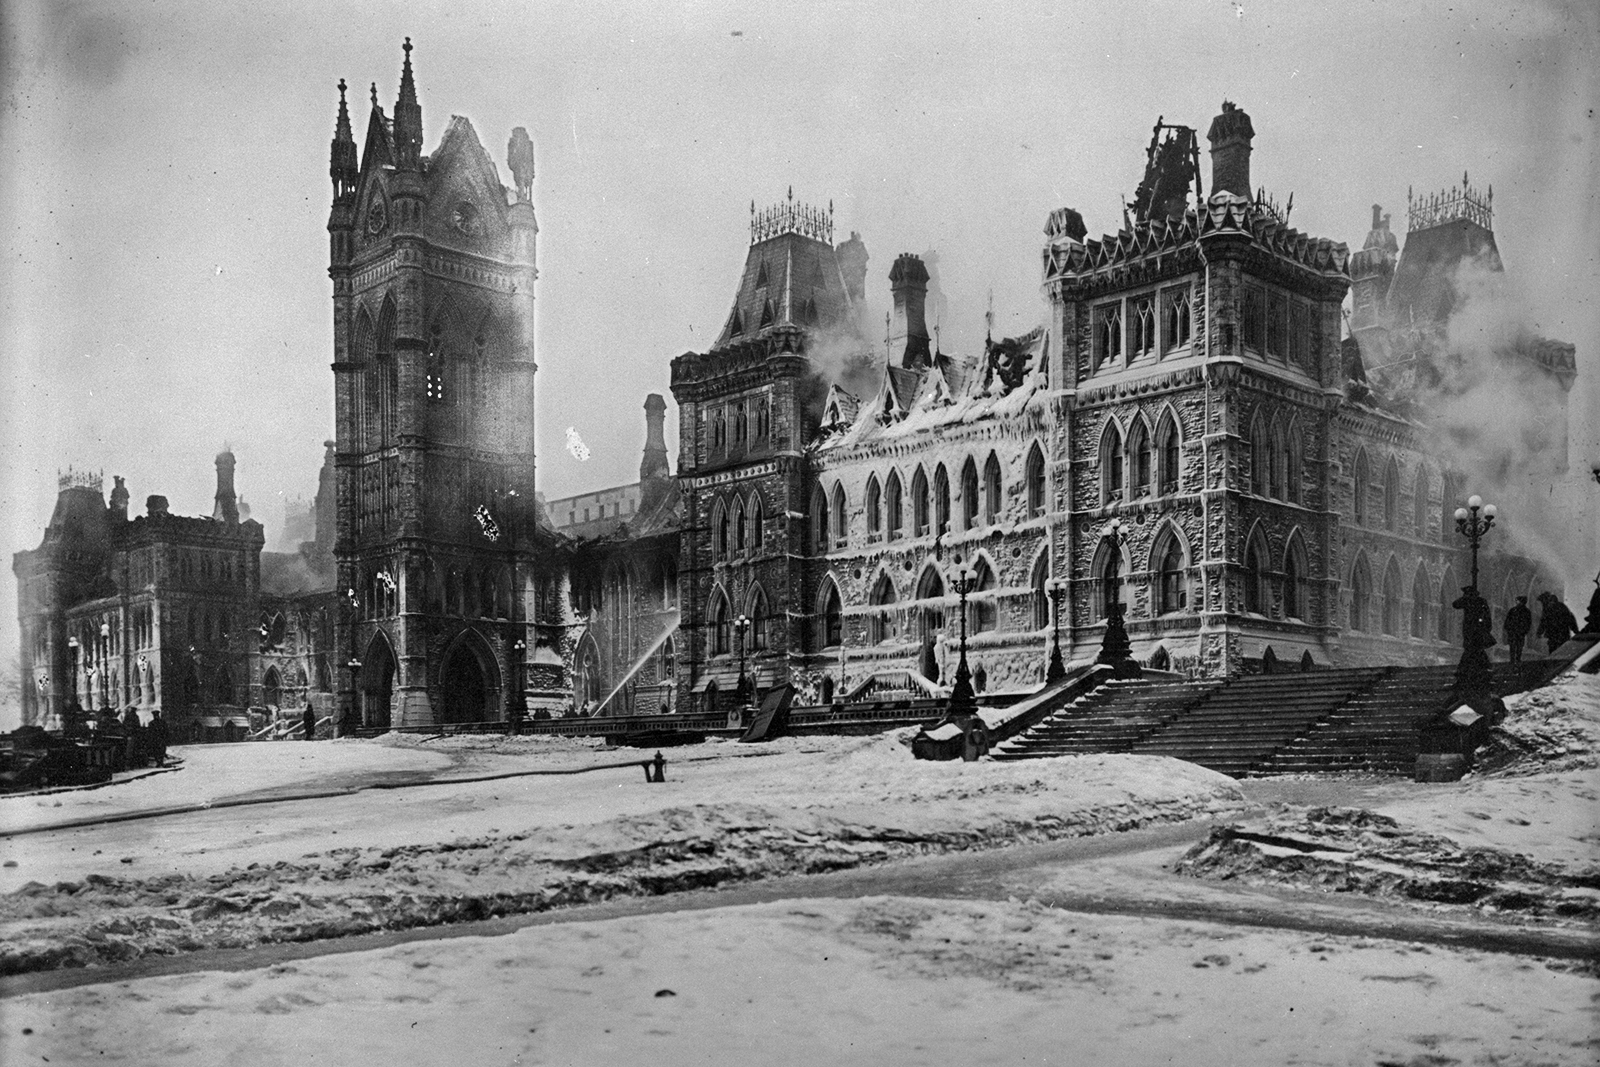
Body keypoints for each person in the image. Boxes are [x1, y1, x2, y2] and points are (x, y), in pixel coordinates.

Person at [1504, 596, 1532, 665]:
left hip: (1515, 631)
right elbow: (1528, 622)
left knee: (1514, 646)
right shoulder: (1526, 611)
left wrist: (1508, 628)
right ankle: (1516, 659)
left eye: (1517, 600)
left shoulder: (1513, 610)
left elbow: (1507, 621)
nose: (1516, 602)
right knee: (1518, 646)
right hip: (1519, 632)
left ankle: (1513, 660)